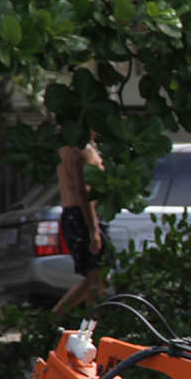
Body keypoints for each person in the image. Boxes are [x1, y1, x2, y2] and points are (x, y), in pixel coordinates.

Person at [53, 135, 108, 315]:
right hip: (81, 214)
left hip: (74, 213)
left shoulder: (66, 148)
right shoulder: (79, 151)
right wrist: (93, 230)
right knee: (96, 279)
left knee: (95, 277)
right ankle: (92, 326)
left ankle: (53, 321)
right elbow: (83, 191)